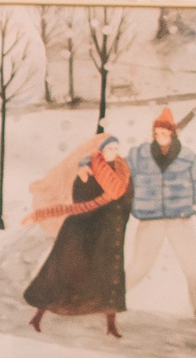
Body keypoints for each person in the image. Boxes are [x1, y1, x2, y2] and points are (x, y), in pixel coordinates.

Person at [127, 105, 196, 335]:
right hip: (150, 221)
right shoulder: (139, 156)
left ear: (173, 133)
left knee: (194, 269)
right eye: (157, 133)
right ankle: (103, 305)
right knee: (138, 268)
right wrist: (87, 166)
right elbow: (115, 169)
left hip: (180, 222)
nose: (160, 137)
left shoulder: (191, 160)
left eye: (164, 133)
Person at [24, 132, 132, 336]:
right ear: (100, 151)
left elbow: (126, 199)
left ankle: (111, 324)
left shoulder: (123, 172)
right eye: (110, 148)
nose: (114, 152)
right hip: (81, 231)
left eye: (117, 149)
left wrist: (116, 220)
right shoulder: (86, 172)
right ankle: (37, 316)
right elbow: (81, 204)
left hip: (108, 232)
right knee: (61, 272)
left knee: (109, 276)